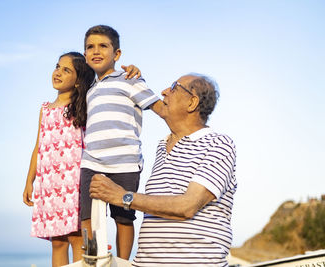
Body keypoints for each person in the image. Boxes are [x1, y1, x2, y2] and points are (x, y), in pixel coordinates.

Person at [90, 73, 237, 266]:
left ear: (192, 103)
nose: (164, 92)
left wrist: (123, 197)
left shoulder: (218, 144)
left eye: (174, 87)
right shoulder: (162, 146)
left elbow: (187, 206)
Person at [22, 51, 140, 267]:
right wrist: (30, 181)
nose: (58, 72)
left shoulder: (84, 105)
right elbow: (38, 147)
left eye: (66, 70)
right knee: (57, 242)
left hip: (75, 182)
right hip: (50, 185)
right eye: (57, 66)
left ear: (78, 80)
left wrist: (131, 72)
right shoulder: (45, 110)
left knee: (78, 238)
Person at [80, 25, 164, 260]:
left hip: (124, 162)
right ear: (85, 55)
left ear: (117, 54)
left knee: (124, 218)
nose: (96, 51)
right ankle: (92, 259)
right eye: (90, 47)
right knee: (87, 216)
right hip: (91, 161)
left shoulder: (130, 79)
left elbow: (159, 108)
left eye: (103, 46)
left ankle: (123, 261)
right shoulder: (89, 89)